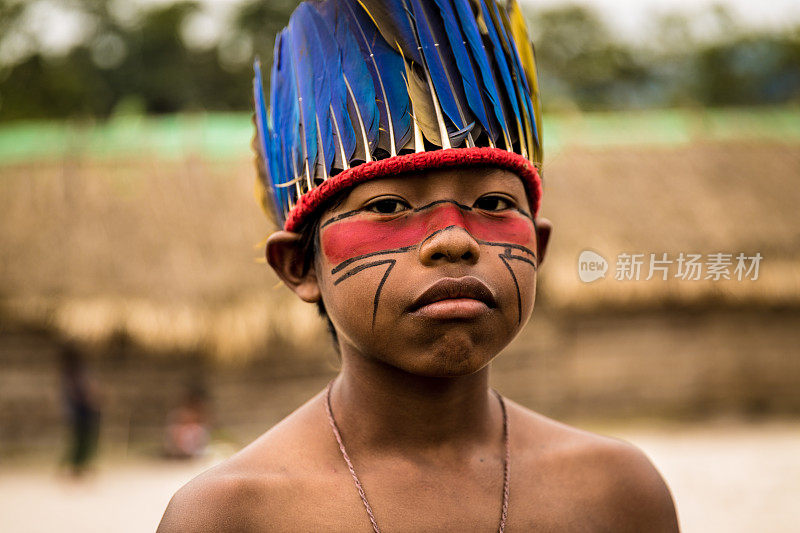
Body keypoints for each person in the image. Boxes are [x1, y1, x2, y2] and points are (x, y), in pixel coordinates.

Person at [159, 0, 679, 530]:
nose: (454, 239)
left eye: (495, 205)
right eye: (387, 207)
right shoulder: (231, 516)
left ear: (538, 250)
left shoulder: (618, 495)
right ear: (299, 265)